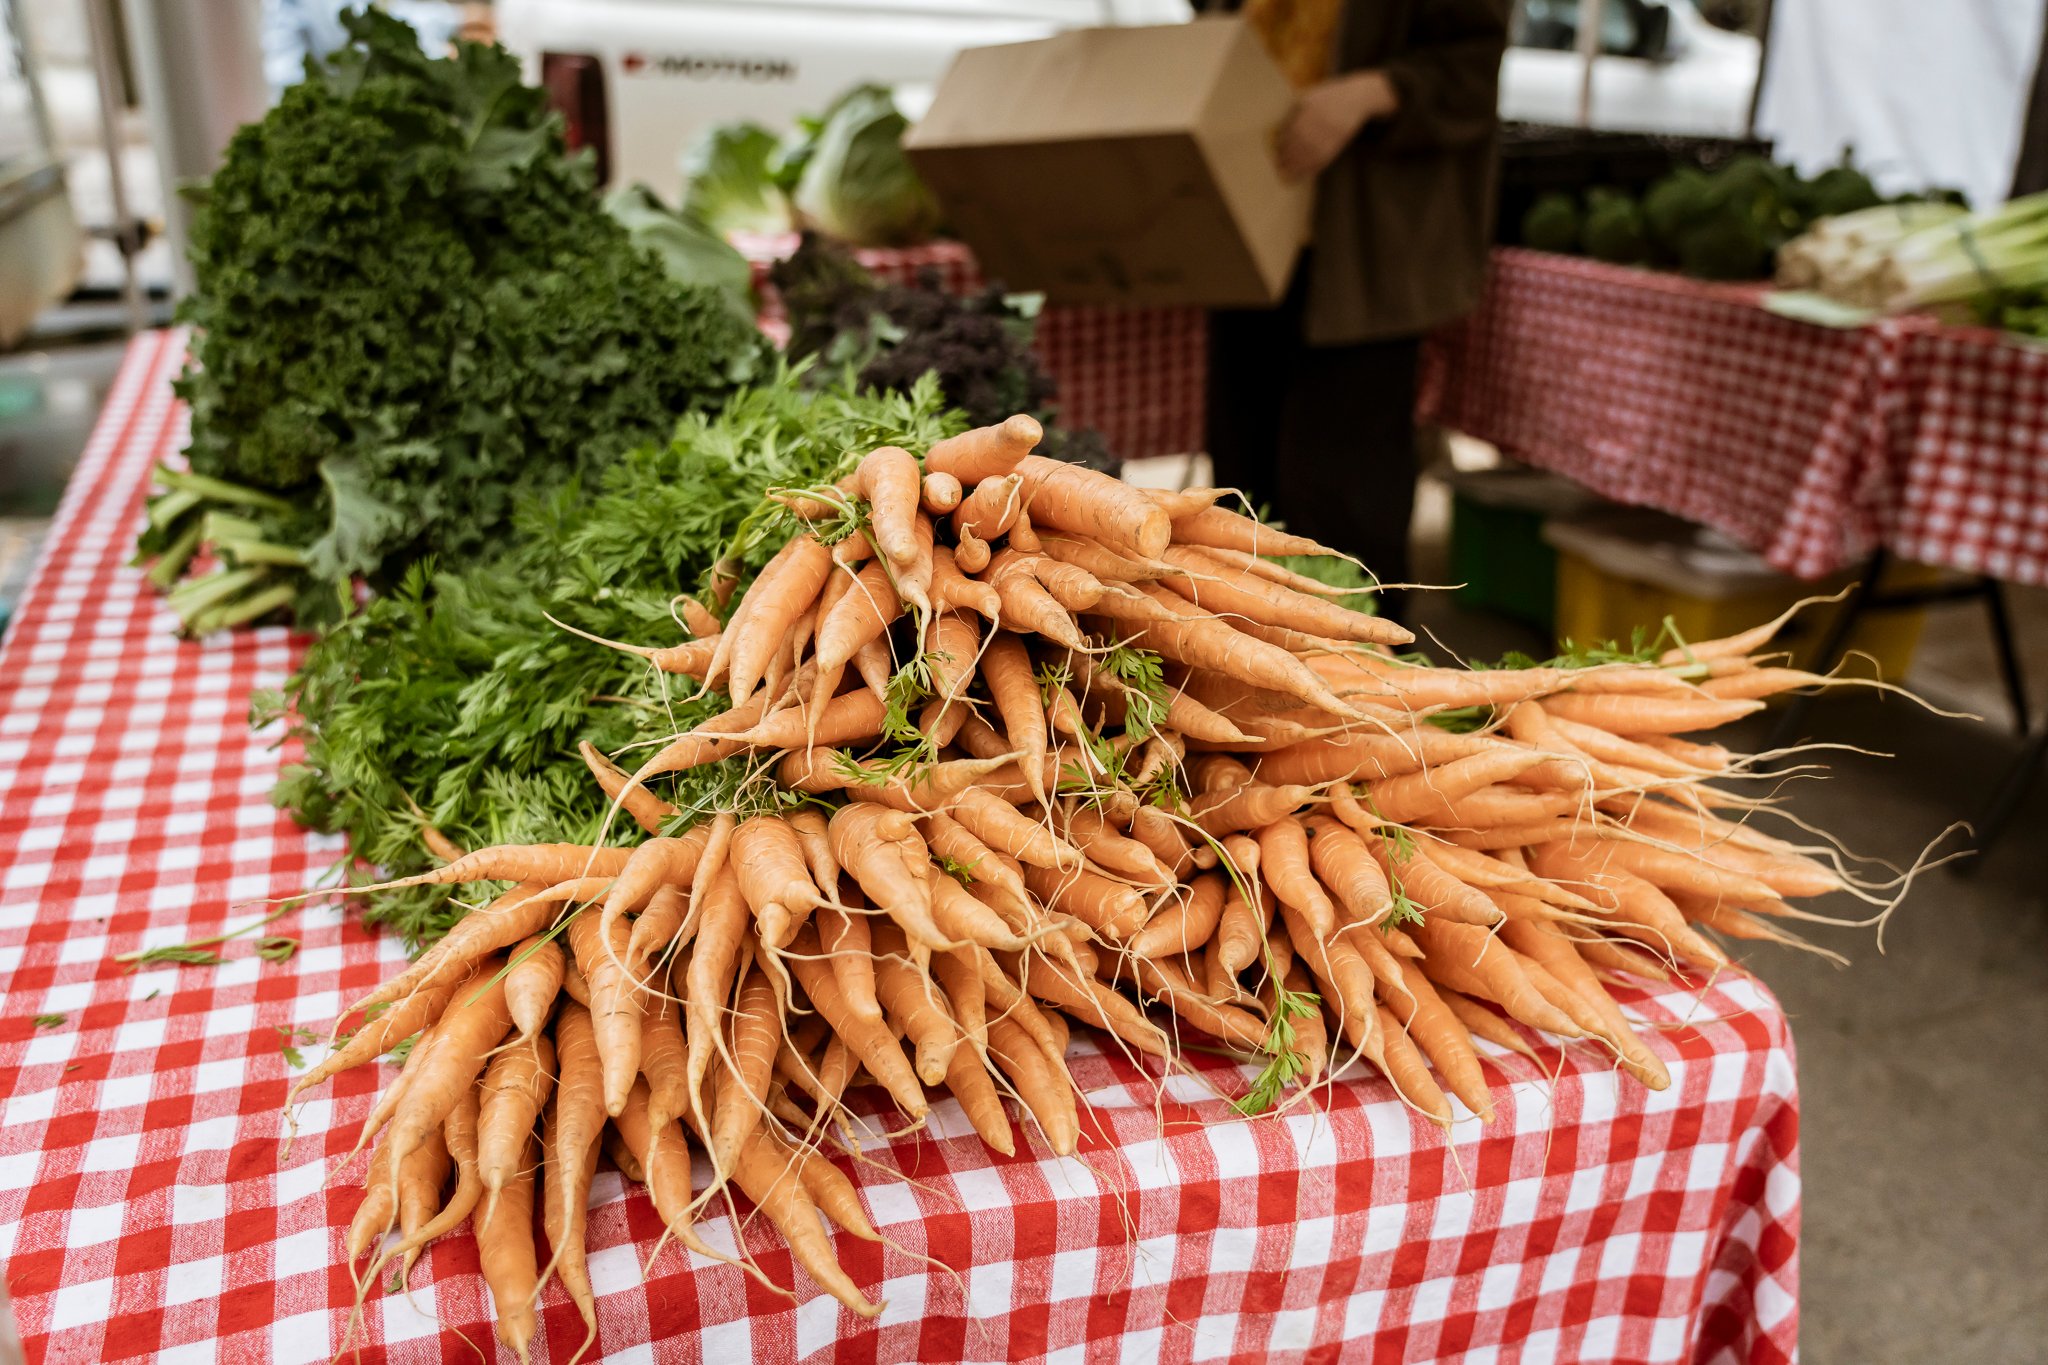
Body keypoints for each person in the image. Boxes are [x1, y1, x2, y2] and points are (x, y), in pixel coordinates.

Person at [1205, 0, 1510, 620]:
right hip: (1252, 241)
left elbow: (1472, 72)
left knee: (1339, 501)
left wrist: (1374, 93)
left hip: (1366, 260)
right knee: (1240, 495)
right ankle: (1241, 676)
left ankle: (1366, 693)